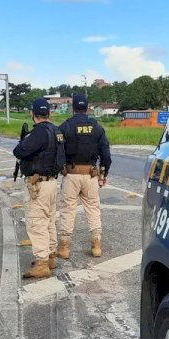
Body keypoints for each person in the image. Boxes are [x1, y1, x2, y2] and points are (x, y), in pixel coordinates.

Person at [13, 98, 66, 279]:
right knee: (49, 220)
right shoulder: (56, 130)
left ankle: (42, 263)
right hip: (51, 182)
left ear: (32, 114)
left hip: (39, 185)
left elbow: (19, 151)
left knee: (37, 222)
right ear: (49, 113)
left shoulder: (39, 133)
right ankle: (50, 256)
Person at [56, 94, 111, 259]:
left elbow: (58, 151)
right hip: (90, 175)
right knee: (93, 209)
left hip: (71, 175)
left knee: (68, 210)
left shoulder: (64, 127)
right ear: (87, 108)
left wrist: (61, 168)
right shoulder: (97, 127)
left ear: (73, 108)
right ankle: (96, 246)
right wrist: (104, 172)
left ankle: (64, 248)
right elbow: (106, 154)